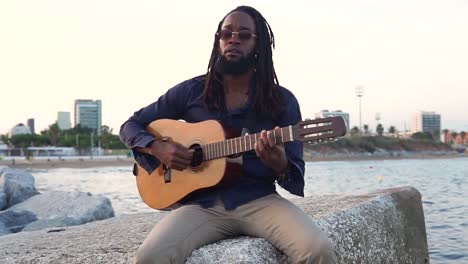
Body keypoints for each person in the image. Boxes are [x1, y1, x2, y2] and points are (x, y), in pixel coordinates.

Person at [120, 5, 337, 264]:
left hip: (259, 200)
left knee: (317, 248)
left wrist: (279, 163)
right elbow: (131, 126)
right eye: (226, 34)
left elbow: (294, 176)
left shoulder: (282, 100)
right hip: (202, 206)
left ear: (259, 45)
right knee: (150, 257)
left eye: (244, 35)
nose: (233, 39)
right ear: (218, 40)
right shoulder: (192, 91)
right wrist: (158, 148)